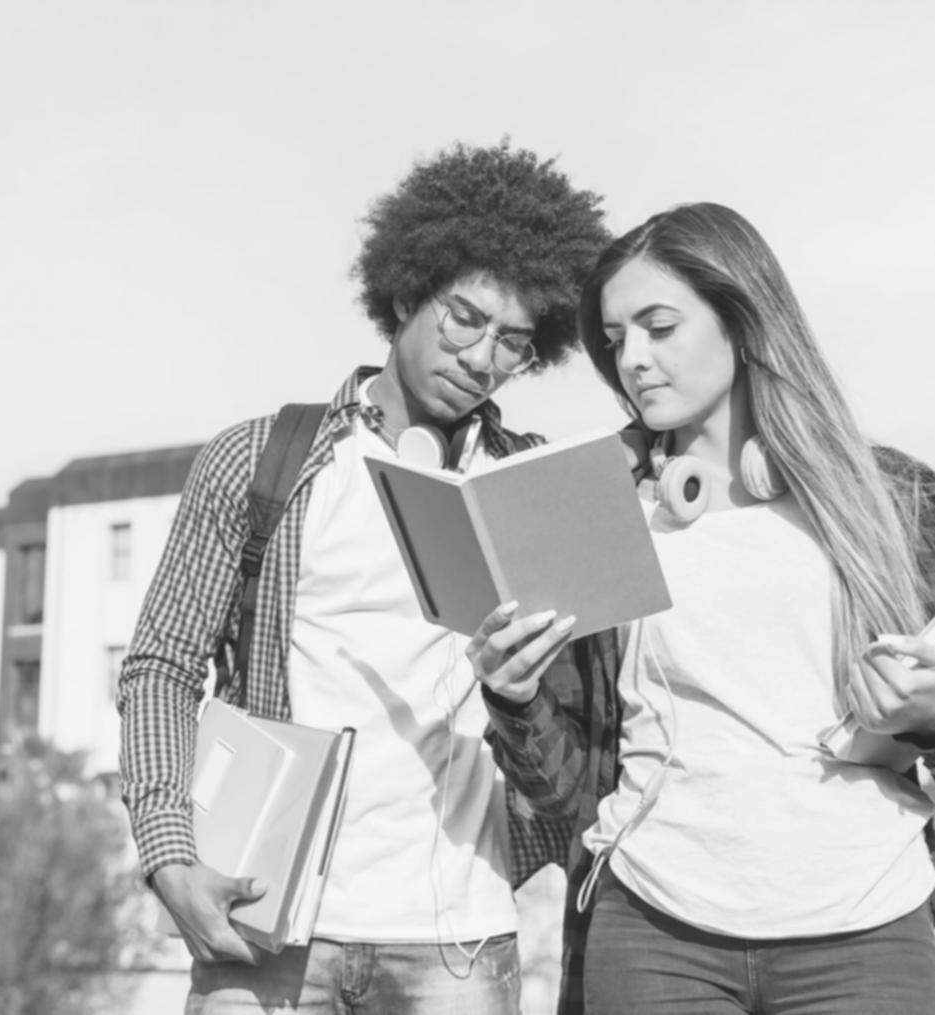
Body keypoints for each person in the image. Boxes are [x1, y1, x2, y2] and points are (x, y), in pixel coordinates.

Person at [470, 202, 935, 1014]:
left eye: (659, 326)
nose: (633, 359)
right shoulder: (596, 512)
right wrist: (513, 695)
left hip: (867, 922)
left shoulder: (887, 496)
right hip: (653, 930)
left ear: (740, 320)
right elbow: (557, 790)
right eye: (615, 339)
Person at [117, 141, 611, 1014]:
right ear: (407, 291)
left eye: (512, 341)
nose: (482, 357)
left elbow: (579, 728)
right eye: (464, 319)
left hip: (459, 945)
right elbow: (160, 664)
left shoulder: (531, 489)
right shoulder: (262, 461)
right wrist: (169, 856)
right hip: (265, 928)